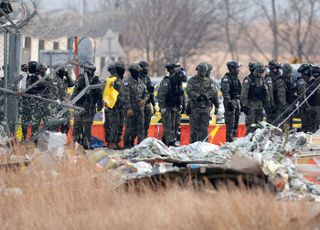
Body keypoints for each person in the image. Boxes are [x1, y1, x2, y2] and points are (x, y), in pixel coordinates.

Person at [72, 61, 103, 149]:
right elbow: (76, 91)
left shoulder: (96, 80)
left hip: (90, 107)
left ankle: (86, 143)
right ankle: (76, 143)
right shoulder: (81, 79)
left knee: (87, 126)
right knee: (77, 125)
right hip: (79, 106)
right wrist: (72, 103)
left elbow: (99, 94)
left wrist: (100, 106)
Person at [186, 63, 218, 143]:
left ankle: (204, 145)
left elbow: (213, 91)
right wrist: (197, 96)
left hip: (206, 108)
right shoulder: (192, 80)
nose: (203, 72)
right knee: (194, 129)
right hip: (195, 108)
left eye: (205, 71)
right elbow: (188, 90)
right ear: (198, 71)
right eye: (202, 71)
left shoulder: (209, 81)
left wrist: (206, 96)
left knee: (204, 129)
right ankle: (193, 145)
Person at [158, 63, 187, 146]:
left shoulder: (178, 82)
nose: (177, 70)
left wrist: (182, 105)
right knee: (168, 125)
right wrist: (162, 107)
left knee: (175, 125)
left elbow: (181, 95)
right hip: (167, 107)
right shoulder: (167, 81)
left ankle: (165, 141)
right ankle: (170, 142)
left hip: (176, 107)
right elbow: (161, 95)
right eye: (175, 68)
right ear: (170, 70)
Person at [122, 64, 148, 148]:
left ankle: (141, 145)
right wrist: (128, 108)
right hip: (131, 109)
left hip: (140, 109)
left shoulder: (141, 82)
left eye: (138, 72)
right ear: (132, 72)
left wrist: (144, 100)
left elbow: (146, 93)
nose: (137, 73)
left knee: (141, 128)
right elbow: (125, 96)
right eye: (135, 72)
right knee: (130, 128)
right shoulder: (127, 82)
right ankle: (127, 144)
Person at [241, 63, 269, 134]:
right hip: (251, 106)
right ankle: (248, 142)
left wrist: (267, 104)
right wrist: (245, 106)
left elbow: (265, 93)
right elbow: (244, 94)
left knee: (259, 127)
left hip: (260, 106)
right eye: (260, 72)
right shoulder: (249, 80)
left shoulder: (262, 80)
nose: (261, 73)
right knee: (251, 127)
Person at [22, 61, 46, 140]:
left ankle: (31, 139)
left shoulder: (35, 77)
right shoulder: (30, 76)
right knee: (29, 122)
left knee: (32, 122)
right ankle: (28, 138)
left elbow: (41, 88)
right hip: (31, 103)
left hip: (33, 103)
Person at [104, 61, 125, 149]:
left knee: (119, 124)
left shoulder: (119, 79)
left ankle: (116, 142)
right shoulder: (112, 79)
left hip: (120, 106)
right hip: (113, 106)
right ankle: (111, 142)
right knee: (113, 124)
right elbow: (107, 93)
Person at [221, 61, 242, 142]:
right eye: (237, 68)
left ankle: (233, 140)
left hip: (237, 102)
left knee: (236, 124)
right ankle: (229, 141)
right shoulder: (226, 79)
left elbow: (240, 91)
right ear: (232, 69)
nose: (238, 70)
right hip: (230, 103)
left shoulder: (236, 79)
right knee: (230, 124)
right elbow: (225, 93)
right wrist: (229, 103)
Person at [139, 61, 155, 137]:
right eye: (146, 67)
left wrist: (153, 104)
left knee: (146, 123)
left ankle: (144, 138)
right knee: (140, 124)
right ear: (141, 68)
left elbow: (151, 91)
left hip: (147, 103)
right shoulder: (137, 77)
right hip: (140, 103)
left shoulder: (147, 78)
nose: (147, 69)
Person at [297, 64, 312, 132]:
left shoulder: (306, 81)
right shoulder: (302, 82)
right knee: (302, 124)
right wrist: (306, 105)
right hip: (302, 107)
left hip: (304, 107)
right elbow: (302, 96)